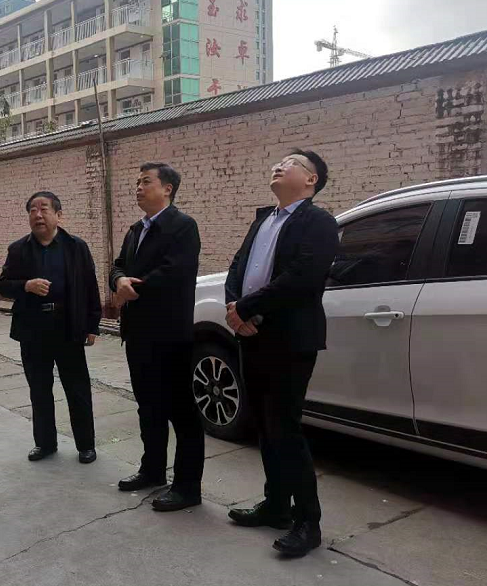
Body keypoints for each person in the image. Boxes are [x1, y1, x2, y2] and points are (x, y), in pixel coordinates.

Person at [224, 149, 339, 556]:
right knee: (264, 426)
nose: (279, 165)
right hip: (252, 335)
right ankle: (276, 505)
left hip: (289, 339)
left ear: (310, 180)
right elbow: (238, 266)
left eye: (291, 163)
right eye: (279, 161)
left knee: (286, 429)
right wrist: (235, 307)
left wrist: (247, 307)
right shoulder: (263, 220)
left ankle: (308, 522)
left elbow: (303, 278)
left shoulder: (318, 222)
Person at [110, 162, 205, 512]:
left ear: (167, 188)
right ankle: (152, 469)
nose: (138, 187)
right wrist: (118, 280)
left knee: (181, 411)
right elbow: (118, 264)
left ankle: (187, 486)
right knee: (148, 406)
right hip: (138, 333)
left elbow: (175, 272)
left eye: (146, 181)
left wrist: (133, 288)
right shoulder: (137, 229)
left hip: (169, 334)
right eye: (137, 182)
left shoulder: (183, 226)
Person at [0, 192, 101, 464]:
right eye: (32, 210)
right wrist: (26, 286)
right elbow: (3, 286)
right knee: (39, 389)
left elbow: (90, 286)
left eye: (44, 209)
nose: (38, 215)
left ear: (59, 215)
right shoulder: (18, 249)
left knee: (77, 389)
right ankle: (45, 443)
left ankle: (86, 445)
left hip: (68, 327)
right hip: (33, 330)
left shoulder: (76, 247)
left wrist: (92, 325)